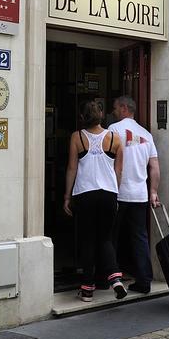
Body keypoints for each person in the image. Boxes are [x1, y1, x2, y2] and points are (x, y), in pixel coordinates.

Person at [63, 99, 127, 302]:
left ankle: (87, 289)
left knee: (88, 240)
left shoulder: (77, 137)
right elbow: (118, 171)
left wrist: (67, 196)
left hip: (85, 193)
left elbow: (72, 168)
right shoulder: (115, 138)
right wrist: (114, 194)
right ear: (102, 115)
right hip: (108, 193)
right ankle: (115, 278)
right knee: (105, 238)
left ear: (83, 117)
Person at [108, 95, 160, 294]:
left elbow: (109, 163)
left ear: (123, 108)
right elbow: (154, 167)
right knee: (140, 237)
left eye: (115, 108)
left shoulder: (114, 130)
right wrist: (153, 191)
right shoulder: (146, 134)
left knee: (111, 237)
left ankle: (110, 278)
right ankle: (144, 281)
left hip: (119, 193)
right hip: (140, 195)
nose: (113, 111)